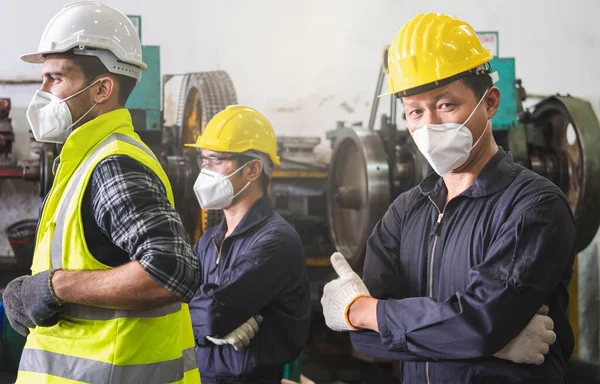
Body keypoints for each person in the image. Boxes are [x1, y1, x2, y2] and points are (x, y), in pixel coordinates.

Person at [321, 12, 575, 383]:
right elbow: (366, 346)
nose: (429, 126)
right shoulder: (405, 212)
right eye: (415, 112)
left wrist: (360, 311)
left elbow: (479, 324)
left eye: (445, 105)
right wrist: (487, 343)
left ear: (489, 102)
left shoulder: (533, 207)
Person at [1, 2, 201, 383]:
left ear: (102, 89)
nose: (41, 92)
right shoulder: (86, 158)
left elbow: (172, 271)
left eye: (55, 79)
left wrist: (54, 285)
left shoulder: (113, 164)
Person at [187, 105, 311, 384]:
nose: (205, 170)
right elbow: (180, 303)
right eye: (203, 160)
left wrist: (206, 319)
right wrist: (203, 321)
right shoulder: (209, 242)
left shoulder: (275, 242)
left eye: (216, 161)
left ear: (252, 169)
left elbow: (213, 314)